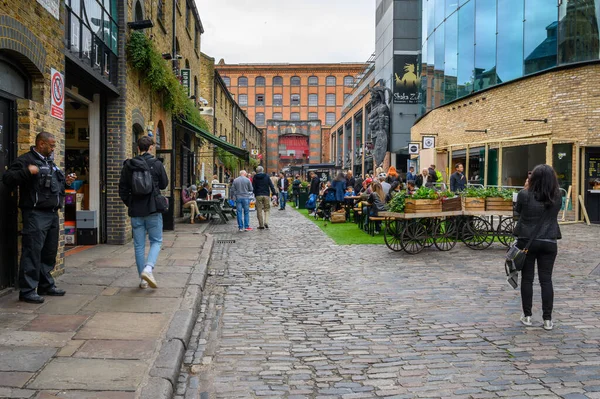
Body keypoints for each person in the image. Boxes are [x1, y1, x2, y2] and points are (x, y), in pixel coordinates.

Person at [2, 132, 75, 303]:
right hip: (35, 214)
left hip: (52, 214)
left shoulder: (49, 162)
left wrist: (67, 182)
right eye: (51, 145)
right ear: (41, 144)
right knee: (32, 252)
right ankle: (27, 290)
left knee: (49, 252)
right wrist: (27, 171)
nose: (53, 147)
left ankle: (45, 285)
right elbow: (7, 178)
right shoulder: (26, 160)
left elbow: (53, 185)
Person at [514, 164, 562, 331]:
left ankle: (527, 316)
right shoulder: (557, 196)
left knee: (527, 279)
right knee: (546, 280)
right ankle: (547, 319)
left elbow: (516, 213)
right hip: (549, 240)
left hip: (527, 241)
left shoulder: (524, 194)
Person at [119, 136, 168, 290]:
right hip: (153, 209)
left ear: (137, 148)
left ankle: (143, 280)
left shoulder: (128, 165)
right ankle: (148, 269)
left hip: (136, 211)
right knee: (156, 241)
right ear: (151, 147)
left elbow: (122, 189)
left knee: (139, 246)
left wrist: (130, 202)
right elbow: (164, 184)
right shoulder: (156, 164)